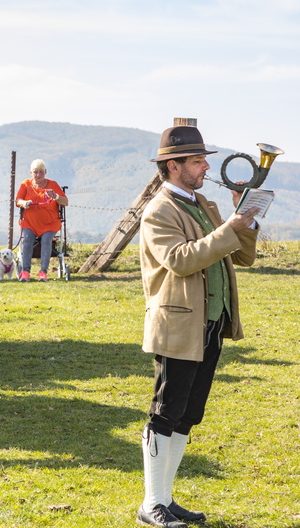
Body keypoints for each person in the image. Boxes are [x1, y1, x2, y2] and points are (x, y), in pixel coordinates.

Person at [136, 125, 259, 528]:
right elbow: (182, 259)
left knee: (188, 414)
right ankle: (151, 504)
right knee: (165, 412)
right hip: (177, 325)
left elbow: (242, 257)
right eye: (197, 161)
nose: (206, 166)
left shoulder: (202, 203)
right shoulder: (158, 211)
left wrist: (248, 223)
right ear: (174, 166)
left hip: (208, 324)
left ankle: (165, 499)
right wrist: (231, 227)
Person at [15, 159, 68, 282]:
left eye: (41, 172)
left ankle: (43, 272)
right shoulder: (25, 184)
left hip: (50, 223)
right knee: (27, 240)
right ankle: (25, 271)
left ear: (45, 172)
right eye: (35, 172)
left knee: (46, 240)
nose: (38, 175)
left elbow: (65, 202)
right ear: (31, 173)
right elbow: (18, 200)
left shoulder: (53, 185)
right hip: (29, 222)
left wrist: (56, 196)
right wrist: (24, 203)